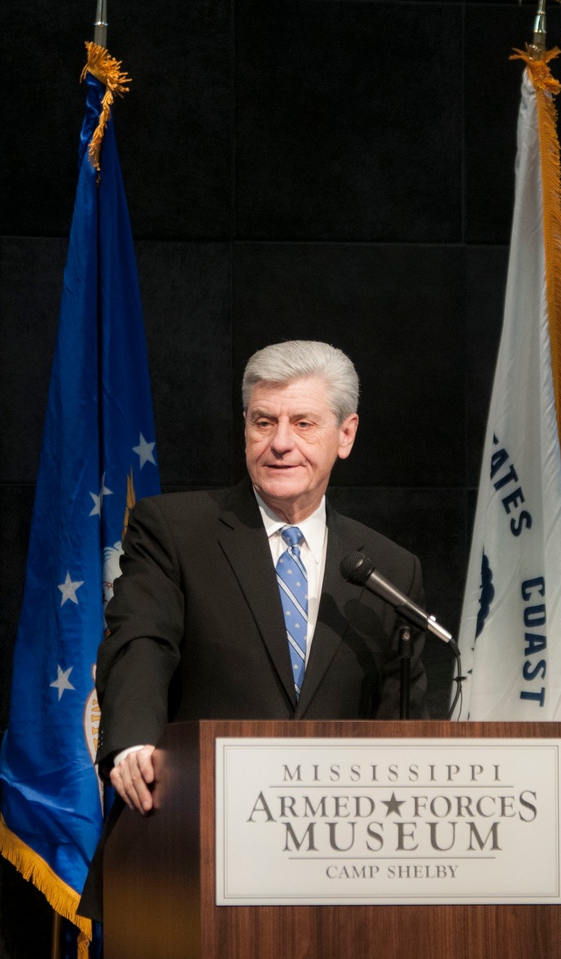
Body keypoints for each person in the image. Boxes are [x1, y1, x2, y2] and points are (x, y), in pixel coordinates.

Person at [96, 339, 429, 818]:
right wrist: (133, 743)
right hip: (193, 820)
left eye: (303, 423)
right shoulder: (175, 530)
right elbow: (141, 642)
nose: (280, 443)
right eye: (264, 422)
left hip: (340, 839)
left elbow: (400, 718)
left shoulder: (387, 568)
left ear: (346, 434)